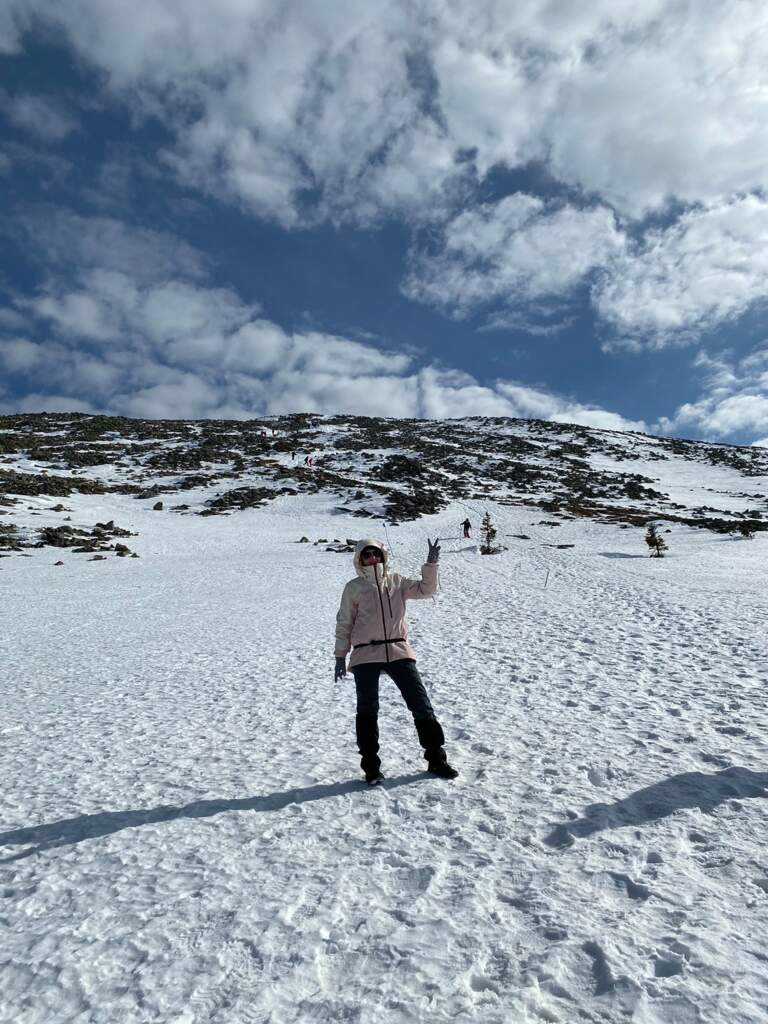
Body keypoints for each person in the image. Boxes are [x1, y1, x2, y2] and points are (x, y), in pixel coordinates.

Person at [334, 538, 459, 784]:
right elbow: (344, 622)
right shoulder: (354, 587)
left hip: (398, 650)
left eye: (376, 553)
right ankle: (371, 768)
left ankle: (437, 760)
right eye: (367, 555)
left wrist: (431, 564)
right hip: (365, 654)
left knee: (421, 705)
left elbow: (426, 590)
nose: (372, 558)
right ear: (360, 559)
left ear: (383, 556)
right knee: (367, 710)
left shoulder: (397, 581)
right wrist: (340, 656)